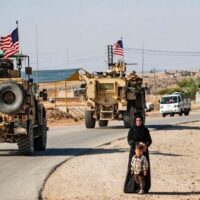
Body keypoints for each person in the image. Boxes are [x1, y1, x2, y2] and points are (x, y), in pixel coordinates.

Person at [124, 115, 152, 193]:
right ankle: (131, 188)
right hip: (134, 152)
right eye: (137, 120)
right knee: (133, 168)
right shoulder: (132, 130)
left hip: (144, 153)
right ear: (135, 121)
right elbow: (129, 141)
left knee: (144, 169)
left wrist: (145, 145)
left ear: (142, 121)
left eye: (140, 120)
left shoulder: (145, 129)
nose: (138, 122)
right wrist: (138, 143)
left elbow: (149, 140)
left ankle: (143, 188)